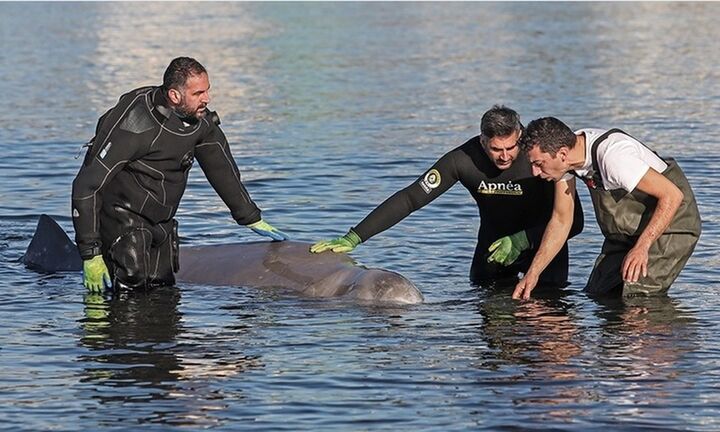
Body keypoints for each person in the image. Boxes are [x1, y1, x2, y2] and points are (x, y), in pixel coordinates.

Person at [72, 57, 288, 292]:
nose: (207, 98)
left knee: (164, 296)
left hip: (162, 223)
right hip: (121, 222)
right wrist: (90, 253)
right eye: (198, 93)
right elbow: (86, 186)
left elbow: (221, 169)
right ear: (174, 96)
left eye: (207, 90)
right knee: (128, 299)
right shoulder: (135, 124)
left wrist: (249, 216)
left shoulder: (199, 121)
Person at [311, 106, 583, 287]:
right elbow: (411, 198)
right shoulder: (462, 160)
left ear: (520, 137)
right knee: (492, 339)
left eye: (511, 148)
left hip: (544, 249)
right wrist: (355, 236)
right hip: (490, 252)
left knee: (547, 326)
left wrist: (522, 240)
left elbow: (576, 221)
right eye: (495, 149)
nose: (504, 156)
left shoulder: (541, 160)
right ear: (481, 141)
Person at [513, 117, 701, 300]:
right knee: (599, 294)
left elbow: (672, 195)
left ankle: (664, 332)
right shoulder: (568, 160)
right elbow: (562, 220)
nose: (534, 172)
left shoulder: (614, 157)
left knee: (636, 296)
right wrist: (533, 274)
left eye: (538, 164)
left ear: (562, 154)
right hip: (627, 231)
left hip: (672, 224)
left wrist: (642, 247)